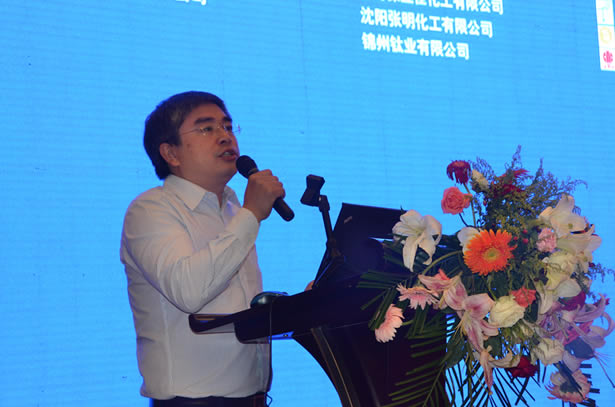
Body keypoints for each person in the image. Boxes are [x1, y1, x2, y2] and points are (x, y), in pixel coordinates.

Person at [120, 91, 285, 407]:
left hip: (253, 397)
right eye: (207, 128)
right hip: (191, 402)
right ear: (171, 152)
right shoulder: (151, 209)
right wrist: (252, 214)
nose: (225, 136)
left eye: (228, 126)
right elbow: (190, 291)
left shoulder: (233, 208)